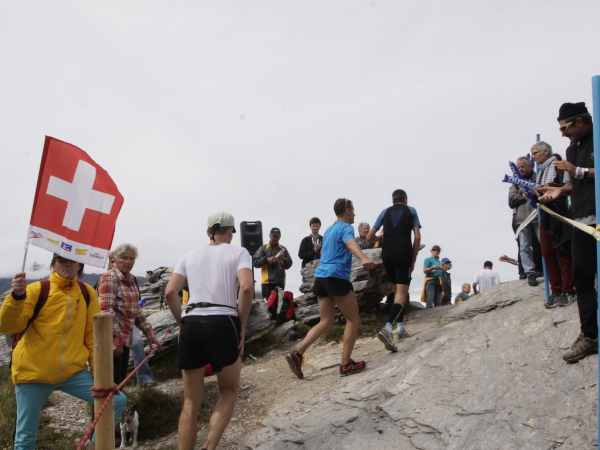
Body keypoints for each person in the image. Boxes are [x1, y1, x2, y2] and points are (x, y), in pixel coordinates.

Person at [0, 254, 126, 450]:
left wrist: (101, 376)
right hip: (34, 372)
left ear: (79, 265)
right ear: (54, 264)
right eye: (61, 260)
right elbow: (8, 326)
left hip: (72, 373)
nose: (67, 264)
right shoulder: (37, 289)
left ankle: (94, 445)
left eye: (72, 260)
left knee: (116, 400)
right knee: (25, 437)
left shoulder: (86, 292)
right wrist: (16, 297)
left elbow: (92, 336)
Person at [164, 212, 253, 450]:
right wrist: (242, 327)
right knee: (228, 390)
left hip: (192, 321)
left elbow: (170, 292)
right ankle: (209, 447)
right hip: (223, 321)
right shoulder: (239, 253)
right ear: (231, 231)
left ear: (208, 232)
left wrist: (182, 323)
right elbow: (246, 287)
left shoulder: (189, 255)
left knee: (190, 401)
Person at [286, 198, 377, 378]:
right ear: (347, 209)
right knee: (353, 319)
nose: (355, 214)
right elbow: (351, 243)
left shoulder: (328, 230)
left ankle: (297, 354)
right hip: (336, 276)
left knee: (326, 322)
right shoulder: (346, 228)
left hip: (321, 277)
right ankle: (346, 365)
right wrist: (364, 258)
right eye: (353, 210)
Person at [539, 101, 596, 363]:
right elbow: (578, 183)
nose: (562, 134)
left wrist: (577, 171)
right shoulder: (571, 149)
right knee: (581, 278)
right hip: (581, 221)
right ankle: (590, 335)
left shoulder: (598, 138)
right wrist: (561, 190)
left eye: (565, 128)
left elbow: (583, 174)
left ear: (580, 122)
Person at [97, 243, 161, 385]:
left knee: (119, 382)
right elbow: (106, 310)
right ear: (115, 259)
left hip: (125, 339)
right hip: (110, 342)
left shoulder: (131, 279)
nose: (128, 262)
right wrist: (116, 341)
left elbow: (136, 310)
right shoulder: (110, 278)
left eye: (131, 259)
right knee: (110, 384)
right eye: (124, 258)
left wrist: (149, 334)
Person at [366, 189, 421, 351]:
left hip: (387, 254)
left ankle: (401, 327)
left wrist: (380, 238)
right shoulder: (411, 210)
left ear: (392, 201)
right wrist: (413, 259)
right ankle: (388, 328)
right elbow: (417, 237)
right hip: (403, 253)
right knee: (402, 296)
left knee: (396, 291)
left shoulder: (384, 212)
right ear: (405, 199)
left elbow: (369, 237)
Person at [531, 141, 576, 309]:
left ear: (546, 151)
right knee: (547, 253)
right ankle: (556, 290)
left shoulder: (559, 166)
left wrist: (551, 188)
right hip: (546, 215)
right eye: (532, 154)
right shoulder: (541, 172)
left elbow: (568, 187)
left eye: (536, 153)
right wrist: (533, 194)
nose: (534, 157)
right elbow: (540, 198)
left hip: (560, 213)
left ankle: (568, 290)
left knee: (563, 253)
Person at [509, 157, 540, 287]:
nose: (520, 169)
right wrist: (524, 196)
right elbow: (511, 201)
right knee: (524, 247)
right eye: (518, 167)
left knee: (543, 244)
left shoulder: (538, 178)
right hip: (522, 220)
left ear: (530, 166)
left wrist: (533, 194)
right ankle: (529, 272)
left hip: (537, 217)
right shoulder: (515, 183)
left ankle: (545, 268)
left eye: (522, 166)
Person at [253, 228, 293, 300]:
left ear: (280, 237)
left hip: (280, 282)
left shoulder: (283, 249)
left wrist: (284, 259)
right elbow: (255, 263)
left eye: (277, 236)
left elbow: (289, 265)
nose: (275, 238)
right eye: (274, 236)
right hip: (267, 282)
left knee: (279, 304)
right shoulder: (263, 248)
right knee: (268, 304)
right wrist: (266, 259)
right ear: (270, 236)